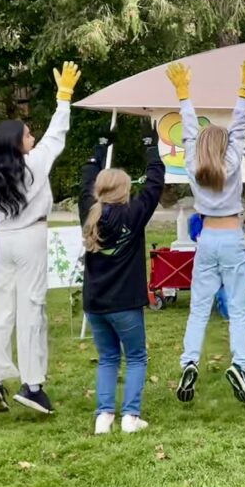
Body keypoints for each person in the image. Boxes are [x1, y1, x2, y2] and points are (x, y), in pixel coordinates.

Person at [0, 62, 82, 415]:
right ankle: (32, 386)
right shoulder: (33, 164)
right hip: (32, 237)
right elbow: (55, 136)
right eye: (26, 135)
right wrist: (64, 97)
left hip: (5, 240)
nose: (32, 137)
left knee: (0, 307)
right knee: (31, 307)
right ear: (17, 143)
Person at [166, 59, 245, 404]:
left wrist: (183, 95)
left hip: (206, 240)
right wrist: (244, 92)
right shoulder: (231, 165)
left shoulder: (192, 164)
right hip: (232, 237)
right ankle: (240, 366)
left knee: (199, 307)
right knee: (236, 307)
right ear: (224, 146)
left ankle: (189, 361)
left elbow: (189, 130)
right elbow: (241, 128)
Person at [79, 128, 165, 434]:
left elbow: (86, 180)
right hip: (125, 303)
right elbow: (155, 183)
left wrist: (99, 149)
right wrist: (150, 147)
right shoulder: (134, 212)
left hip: (96, 302)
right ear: (125, 190)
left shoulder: (89, 213)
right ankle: (130, 416)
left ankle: (104, 416)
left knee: (108, 357)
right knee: (137, 356)